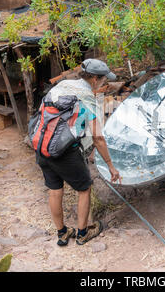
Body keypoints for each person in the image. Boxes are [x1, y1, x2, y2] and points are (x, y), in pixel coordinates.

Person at [35, 58, 122, 246]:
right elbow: (98, 138)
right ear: (94, 79)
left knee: (55, 189)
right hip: (64, 153)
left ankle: (62, 233)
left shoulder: (64, 85)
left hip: (42, 146)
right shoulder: (86, 97)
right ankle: (83, 233)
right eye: (103, 79)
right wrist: (110, 165)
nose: (104, 83)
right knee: (84, 188)